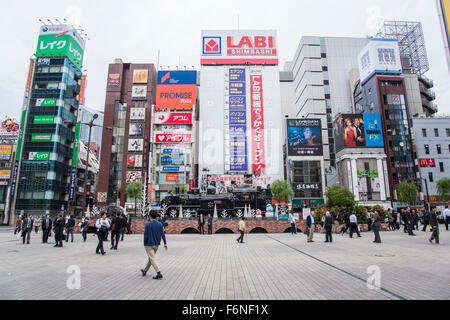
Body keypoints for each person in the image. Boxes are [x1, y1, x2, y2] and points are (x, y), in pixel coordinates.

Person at [140, 213, 168, 279]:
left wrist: (144, 243)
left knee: (152, 258)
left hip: (149, 244)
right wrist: (165, 243)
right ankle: (145, 270)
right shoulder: (160, 224)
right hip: (157, 244)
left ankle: (158, 273)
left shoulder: (147, 224)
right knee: (151, 258)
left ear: (150, 216)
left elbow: (145, 234)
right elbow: (163, 234)